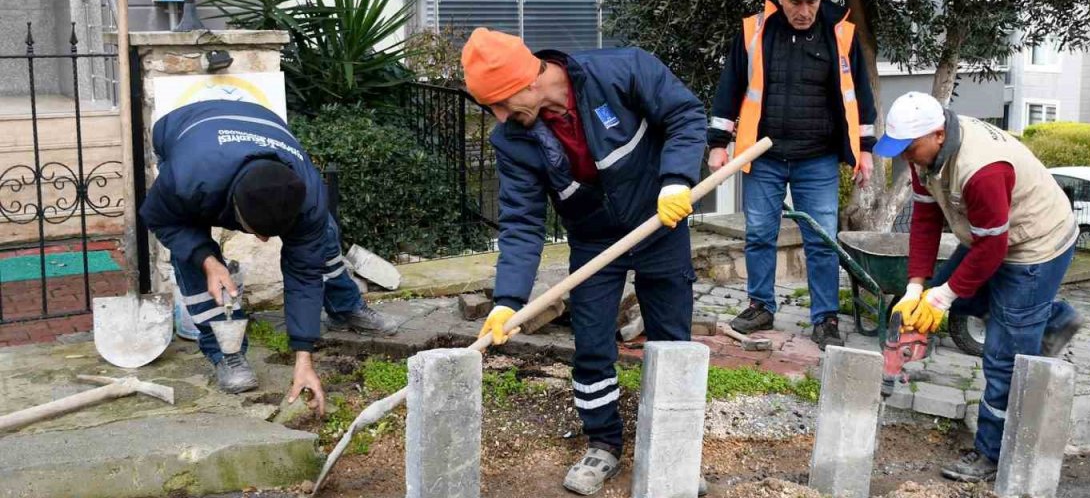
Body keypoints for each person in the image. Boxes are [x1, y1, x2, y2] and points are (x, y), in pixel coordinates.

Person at [463, 28, 708, 496]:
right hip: (594, 241)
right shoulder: (513, 140)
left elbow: (684, 114)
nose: (497, 116)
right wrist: (508, 301)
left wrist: (676, 179)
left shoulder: (622, 71)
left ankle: (676, 448)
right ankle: (604, 443)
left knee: (672, 340)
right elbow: (521, 222)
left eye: (498, 102)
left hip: (661, 221)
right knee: (593, 343)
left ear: (526, 82)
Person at [876, 92, 1085, 482]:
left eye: (909, 147)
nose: (905, 156)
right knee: (959, 296)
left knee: (1003, 359)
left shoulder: (982, 169)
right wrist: (916, 287)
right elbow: (924, 221)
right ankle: (1052, 318)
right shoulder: (926, 157)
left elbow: (995, 248)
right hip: (989, 237)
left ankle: (990, 454)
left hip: (1036, 246)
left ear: (938, 134)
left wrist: (941, 297)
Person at [139, 100, 399, 408]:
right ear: (234, 210)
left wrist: (304, 357)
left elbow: (304, 272)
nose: (263, 239)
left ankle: (344, 306)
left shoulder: (309, 196)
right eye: (257, 231)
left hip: (259, 124)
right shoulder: (187, 178)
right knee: (191, 254)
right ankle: (228, 352)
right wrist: (207, 260)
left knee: (321, 239)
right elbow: (160, 218)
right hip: (184, 131)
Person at [708, 0, 878, 349]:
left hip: (817, 158)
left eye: (813, 2)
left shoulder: (840, 35)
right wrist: (718, 142)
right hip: (763, 155)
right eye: (796, 2)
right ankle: (760, 306)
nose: (805, 11)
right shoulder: (754, 32)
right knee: (760, 235)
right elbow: (729, 87)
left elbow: (861, 99)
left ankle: (825, 317)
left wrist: (864, 151)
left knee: (820, 240)